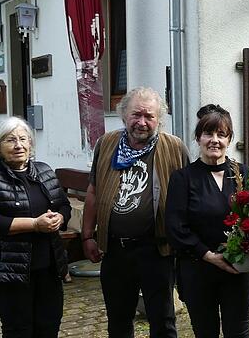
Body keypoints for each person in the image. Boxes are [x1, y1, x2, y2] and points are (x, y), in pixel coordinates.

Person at [81, 87, 190, 338]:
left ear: (159, 119)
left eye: (149, 116)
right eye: (136, 114)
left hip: (156, 250)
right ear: (123, 115)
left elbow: (188, 196)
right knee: (118, 320)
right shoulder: (107, 144)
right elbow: (94, 192)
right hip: (115, 250)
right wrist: (88, 236)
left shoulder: (174, 148)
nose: (142, 122)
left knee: (162, 321)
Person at [166, 104, 249, 338]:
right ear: (198, 138)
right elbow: (175, 228)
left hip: (238, 271)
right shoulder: (183, 179)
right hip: (198, 269)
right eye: (208, 133)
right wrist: (209, 256)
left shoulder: (244, 174)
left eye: (222, 134)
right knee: (206, 332)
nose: (215, 140)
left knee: (239, 332)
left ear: (229, 139)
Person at [0, 116, 72, 337]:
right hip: (10, 269)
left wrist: (59, 218)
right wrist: (35, 224)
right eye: (10, 140)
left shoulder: (44, 170)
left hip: (49, 266)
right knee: (19, 330)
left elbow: (63, 205)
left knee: (49, 326)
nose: (18, 145)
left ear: (30, 143)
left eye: (23, 139)